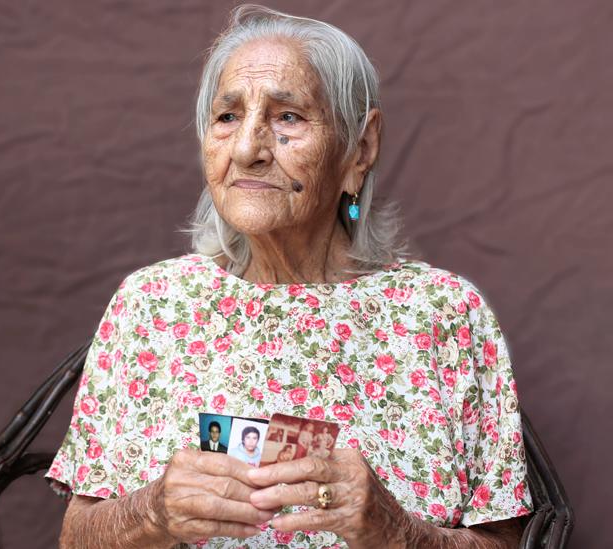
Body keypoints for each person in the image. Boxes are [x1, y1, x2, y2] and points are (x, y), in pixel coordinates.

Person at [46, 5, 531, 548]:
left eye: (288, 118)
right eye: (227, 117)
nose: (249, 149)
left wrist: (397, 532)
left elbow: (503, 543)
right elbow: (76, 539)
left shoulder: (444, 314)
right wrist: (151, 513)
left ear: (361, 148)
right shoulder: (152, 304)